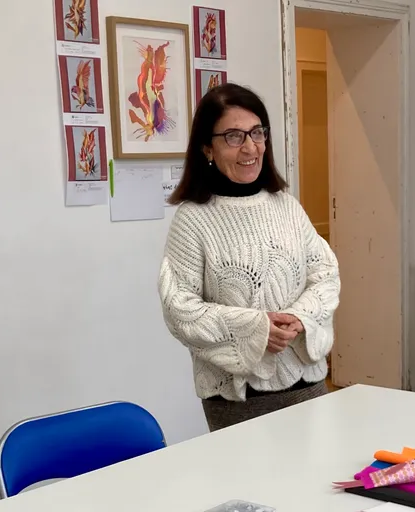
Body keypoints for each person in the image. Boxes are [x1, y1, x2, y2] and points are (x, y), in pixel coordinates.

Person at [158, 83, 341, 432]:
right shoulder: (194, 219)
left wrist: (300, 317)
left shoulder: (286, 206)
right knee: (248, 487)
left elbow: (326, 274)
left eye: (257, 132)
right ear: (207, 148)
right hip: (237, 398)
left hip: (309, 385)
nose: (250, 147)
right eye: (233, 136)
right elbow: (178, 307)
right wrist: (254, 329)